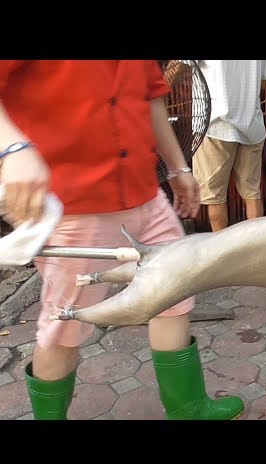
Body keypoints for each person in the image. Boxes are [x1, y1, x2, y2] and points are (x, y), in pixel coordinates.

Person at [0, 60, 244, 420]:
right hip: (75, 204)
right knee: (66, 326)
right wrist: (12, 148)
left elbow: (151, 97)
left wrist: (178, 168)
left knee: (174, 296)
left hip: (147, 195)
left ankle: (188, 408)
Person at [193, 60, 266, 232]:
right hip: (251, 124)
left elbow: (179, 67)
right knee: (252, 193)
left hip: (214, 125)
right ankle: (256, 248)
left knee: (215, 197)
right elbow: (265, 82)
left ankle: (223, 251)